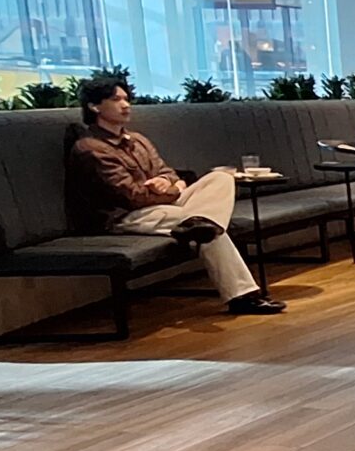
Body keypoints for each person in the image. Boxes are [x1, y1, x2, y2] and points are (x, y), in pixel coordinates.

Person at [71, 77, 284, 315]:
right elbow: (131, 196)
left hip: (162, 203)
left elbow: (166, 172)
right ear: (94, 106)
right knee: (209, 227)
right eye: (115, 99)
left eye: (126, 98)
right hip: (125, 217)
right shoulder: (91, 148)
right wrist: (173, 190)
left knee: (221, 178)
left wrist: (168, 183)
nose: (125, 105)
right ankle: (242, 296)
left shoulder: (138, 140)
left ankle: (197, 223)